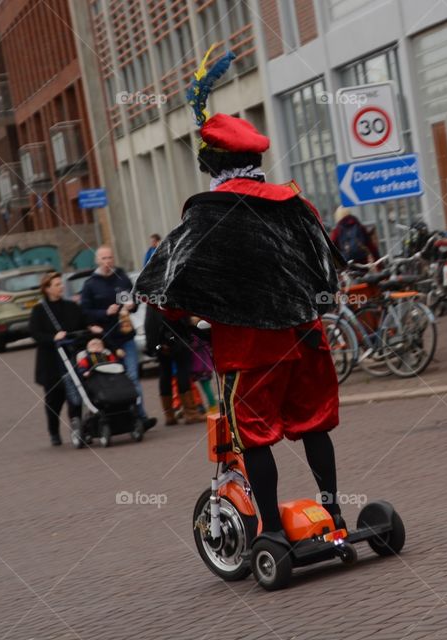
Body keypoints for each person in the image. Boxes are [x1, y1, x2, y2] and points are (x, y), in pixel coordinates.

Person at [136, 47, 347, 548]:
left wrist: (177, 320)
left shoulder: (206, 214)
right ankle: (334, 513)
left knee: (254, 436)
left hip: (251, 353)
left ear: (215, 166)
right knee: (314, 426)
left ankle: (271, 528)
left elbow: (169, 280)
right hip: (307, 340)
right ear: (254, 161)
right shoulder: (296, 204)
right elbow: (325, 270)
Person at [80, 246, 157, 431]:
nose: (108, 261)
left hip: (125, 336)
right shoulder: (90, 284)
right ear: (98, 260)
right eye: (104, 258)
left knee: (132, 377)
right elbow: (85, 313)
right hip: (105, 341)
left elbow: (133, 299)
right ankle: (115, 417)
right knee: (110, 379)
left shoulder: (121, 277)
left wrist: (131, 304)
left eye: (110, 257)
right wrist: (104, 312)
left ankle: (140, 416)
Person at [29, 271, 101, 446]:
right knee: (54, 400)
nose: (61, 287)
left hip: (71, 358)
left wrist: (92, 328)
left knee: (75, 395)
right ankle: (53, 431)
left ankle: (78, 428)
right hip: (51, 363)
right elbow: (34, 333)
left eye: (61, 284)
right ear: (47, 289)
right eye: (57, 285)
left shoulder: (71, 306)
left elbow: (83, 323)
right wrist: (52, 337)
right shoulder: (39, 310)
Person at [144, 304, 201, 425]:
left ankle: (169, 415)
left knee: (165, 373)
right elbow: (181, 317)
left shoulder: (151, 296)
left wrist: (153, 344)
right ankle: (190, 413)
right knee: (183, 371)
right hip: (177, 338)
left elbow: (149, 322)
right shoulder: (171, 292)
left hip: (159, 341)